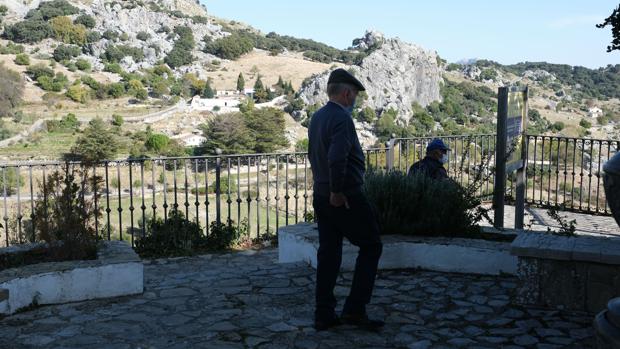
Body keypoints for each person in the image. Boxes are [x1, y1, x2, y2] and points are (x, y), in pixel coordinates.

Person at [308, 68, 384, 332]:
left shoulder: (317, 117)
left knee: (329, 253)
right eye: (354, 96)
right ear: (346, 92)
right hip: (344, 195)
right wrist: (338, 192)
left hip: (320, 193)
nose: (355, 101)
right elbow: (337, 157)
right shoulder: (342, 119)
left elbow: (316, 156)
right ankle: (354, 309)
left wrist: (326, 190)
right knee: (372, 245)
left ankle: (324, 314)